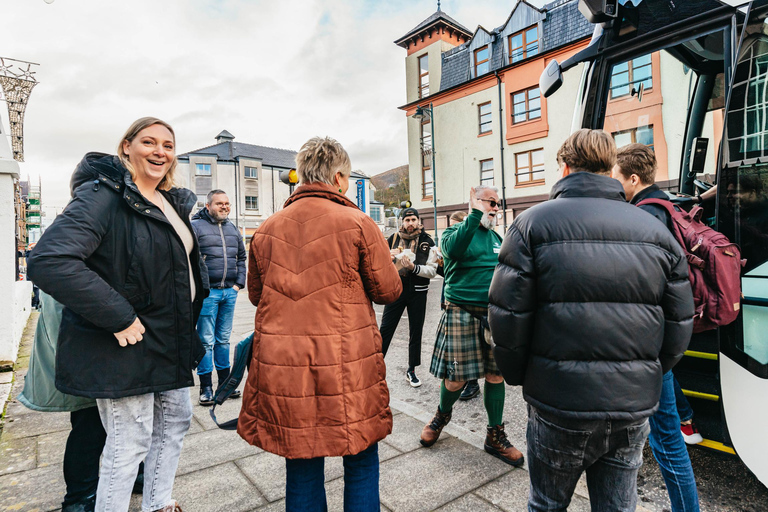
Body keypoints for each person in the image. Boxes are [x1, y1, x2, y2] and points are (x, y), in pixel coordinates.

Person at [489, 129, 694, 511]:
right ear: (609, 168)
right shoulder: (655, 230)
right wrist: (644, 372)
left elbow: (507, 319)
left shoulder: (531, 225)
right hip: (630, 404)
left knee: (547, 504)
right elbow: (680, 323)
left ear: (565, 167)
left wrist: (522, 377)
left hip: (557, 402)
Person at [28, 117, 206, 512]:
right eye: (148, 142)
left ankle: (158, 503)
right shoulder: (103, 195)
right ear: (126, 147)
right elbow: (50, 260)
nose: (160, 151)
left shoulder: (171, 200)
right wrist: (119, 316)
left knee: (175, 422)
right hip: (126, 341)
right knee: (129, 442)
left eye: (168, 144)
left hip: (168, 337)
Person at [237, 136, 402, 512]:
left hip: (284, 365)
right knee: (360, 458)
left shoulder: (266, 228)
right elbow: (388, 291)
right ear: (340, 178)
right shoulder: (358, 222)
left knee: (301, 463)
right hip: (345, 362)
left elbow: (256, 295)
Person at [612, 143, 701, 512]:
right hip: (659, 339)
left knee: (666, 442)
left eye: (617, 177)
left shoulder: (645, 216)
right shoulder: (667, 206)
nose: (614, 185)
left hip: (646, 342)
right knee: (663, 436)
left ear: (633, 179)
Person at [420, 185, 524, 467]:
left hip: (493, 315)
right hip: (461, 311)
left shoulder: (496, 236)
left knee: (495, 375)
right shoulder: (454, 232)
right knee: (455, 379)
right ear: (475, 203)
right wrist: (473, 213)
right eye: (490, 202)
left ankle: (495, 435)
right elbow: (452, 250)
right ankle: (441, 416)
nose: (495, 208)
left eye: (497, 204)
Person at [191, 189, 246, 405]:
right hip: (208, 293)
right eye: (219, 203)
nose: (224, 207)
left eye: (227, 203)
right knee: (205, 341)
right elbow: (189, 259)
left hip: (229, 293)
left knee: (223, 339)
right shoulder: (196, 227)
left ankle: (225, 384)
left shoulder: (232, 228)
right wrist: (200, 287)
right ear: (208, 206)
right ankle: (206, 387)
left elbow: (241, 257)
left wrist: (238, 284)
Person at [379, 207, 436, 387]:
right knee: (386, 329)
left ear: (419, 221)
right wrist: (388, 256)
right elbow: (379, 262)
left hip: (418, 292)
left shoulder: (428, 241)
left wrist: (413, 268)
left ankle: (411, 370)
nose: (410, 223)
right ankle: (375, 368)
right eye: (407, 220)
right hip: (396, 290)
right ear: (402, 222)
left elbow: (432, 270)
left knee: (415, 331)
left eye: (413, 220)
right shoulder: (393, 239)